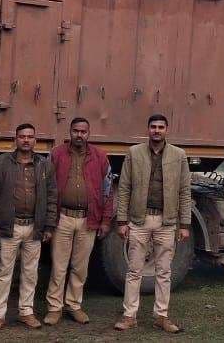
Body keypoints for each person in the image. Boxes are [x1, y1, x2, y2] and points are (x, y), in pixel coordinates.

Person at [113, 114, 191, 334]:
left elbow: (185, 191)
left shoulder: (179, 155)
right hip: (139, 220)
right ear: (148, 129)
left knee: (164, 271)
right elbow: (125, 187)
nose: (157, 130)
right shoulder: (134, 153)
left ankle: (162, 316)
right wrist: (122, 220)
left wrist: (184, 224)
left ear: (167, 130)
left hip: (166, 223)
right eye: (153, 127)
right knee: (134, 270)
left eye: (161, 127)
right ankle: (129, 316)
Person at [0, 123, 57, 332]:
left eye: (30, 136)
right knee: (3, 272)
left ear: (35, 140)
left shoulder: (45, 166)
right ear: (15, 139)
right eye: (22, 136)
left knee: (30, 273)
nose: (26, 140)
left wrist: (49, 225)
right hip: (9, 227)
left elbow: (52, 197)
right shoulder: (0, 163)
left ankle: (26, 312)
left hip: (34, 227)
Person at [43, 117, 112, 325]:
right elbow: (46, 187)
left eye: (83, 131)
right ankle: (54, 308)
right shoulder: (56, 154)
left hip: (87, 220)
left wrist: (106, 220)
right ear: (70, 132)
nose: (79, 135)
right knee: (59, 266)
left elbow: (107, 190)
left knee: (80, 267)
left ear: (88, 133)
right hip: (62, 218)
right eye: (75, 131)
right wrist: (48, 218)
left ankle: (73, 305)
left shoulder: (100, 157)